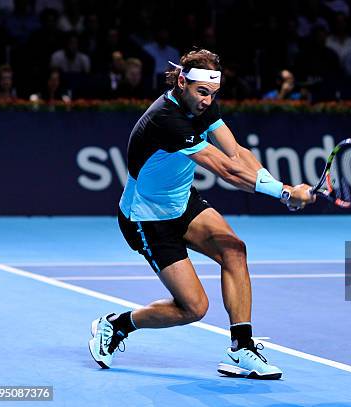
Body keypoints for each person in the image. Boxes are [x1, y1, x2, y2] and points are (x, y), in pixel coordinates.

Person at [88, 49, 315, 379]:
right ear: (182, 82)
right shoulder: (165, 118)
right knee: (193, 308)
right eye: (202, 92)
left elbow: (236, 153)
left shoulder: (203, 106)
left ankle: (241, 349)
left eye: (213, 93)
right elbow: (225, 170)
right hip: (147, 218)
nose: (208, 101)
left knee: (234, 250)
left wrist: (283, 188)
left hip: (182, 202)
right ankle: (117, 325)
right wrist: (284, 192)